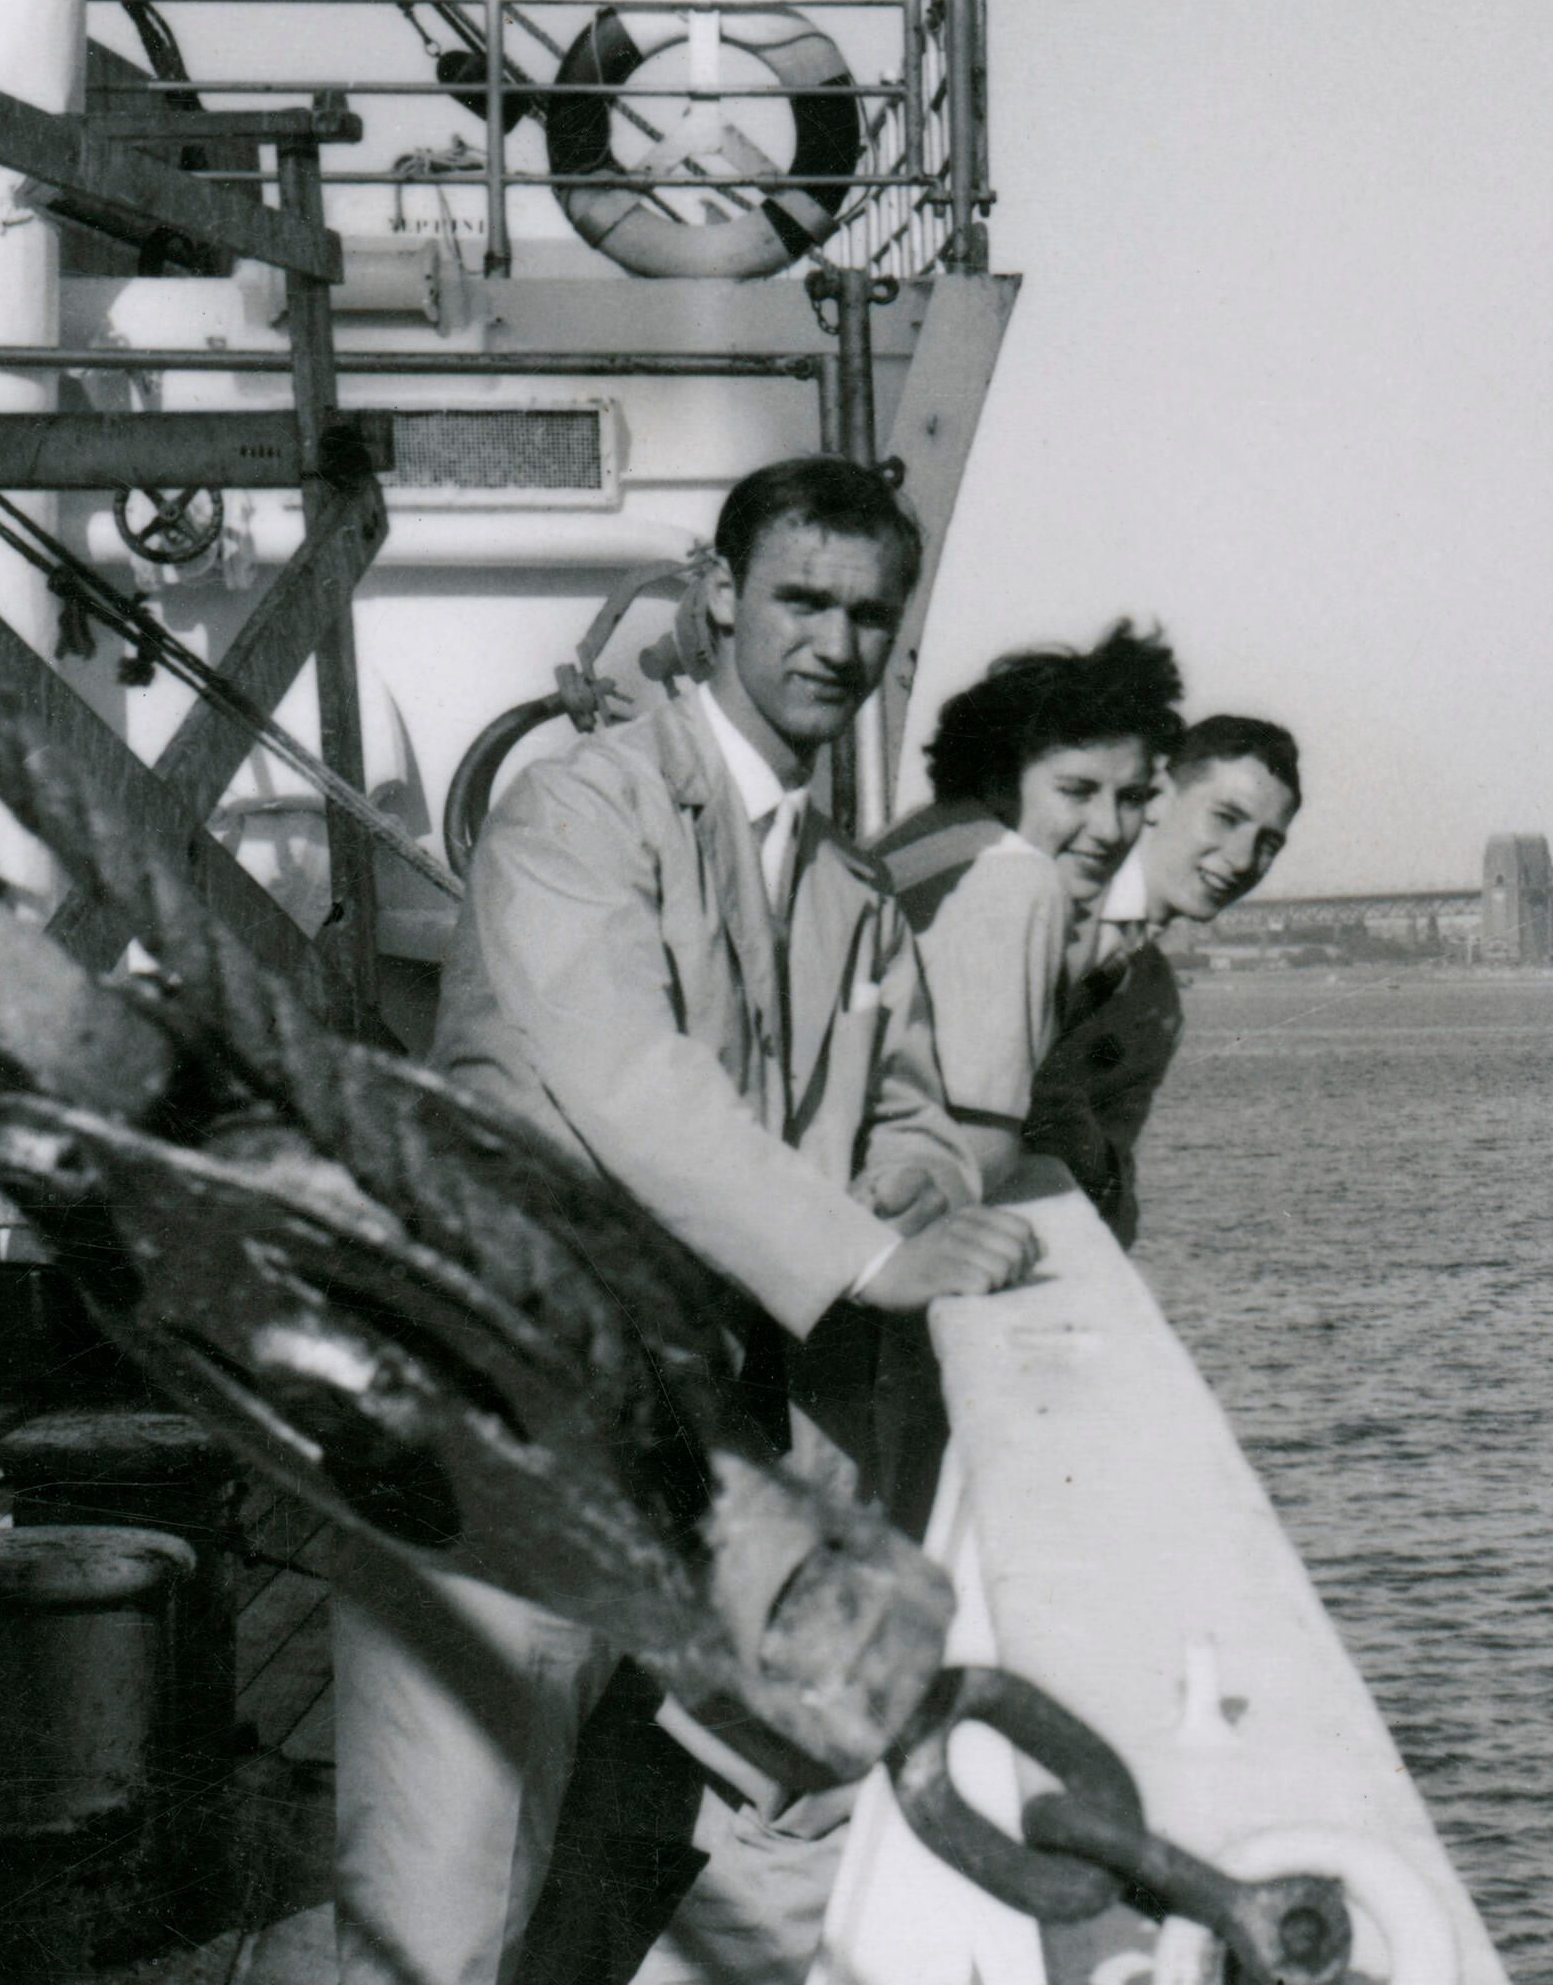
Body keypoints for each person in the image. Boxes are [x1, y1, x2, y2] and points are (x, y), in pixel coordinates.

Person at [333, 456, 1038, 1985]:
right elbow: (625, 1076)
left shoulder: (846, 895)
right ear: (720, 599)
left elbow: (917, 1120)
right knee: (435, 1900)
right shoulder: (577, 816)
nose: (834, 645)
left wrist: (918, 1189)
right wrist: (867, 1254)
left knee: (628, 1849)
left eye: (870, 615)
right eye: (800, 599)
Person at [876, 623, 1185, 1193]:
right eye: (1076, 791)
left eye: (1132, 798)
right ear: (1001, 779)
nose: (1110, 829)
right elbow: (979, 1154)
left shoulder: (920, 840)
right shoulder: (1019, 880)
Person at [1025, 716, 1301, 1245]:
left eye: (1269, 843)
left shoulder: (1155, 1005)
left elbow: (1111, 1188)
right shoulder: (1039, 900)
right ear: (1157, 797)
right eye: (1225, 818)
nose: (1243, 859)